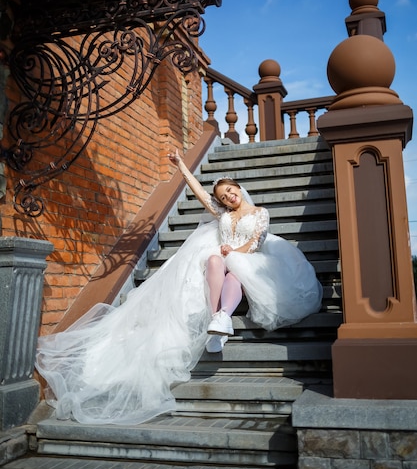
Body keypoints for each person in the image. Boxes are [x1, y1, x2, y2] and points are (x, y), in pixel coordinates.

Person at [35, 149, 322, 426]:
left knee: (234, 274)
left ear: (239, 188)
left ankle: (224, 316)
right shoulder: (222, 214)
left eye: (230, 192)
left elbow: (256, 242)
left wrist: (233, 253)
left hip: (249, 259)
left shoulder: (260, 212)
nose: (228, 198)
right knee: (212, 258)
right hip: (223, 258)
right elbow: (199, 192)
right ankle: (216, 318)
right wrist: (181, 165)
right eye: (223, 197)